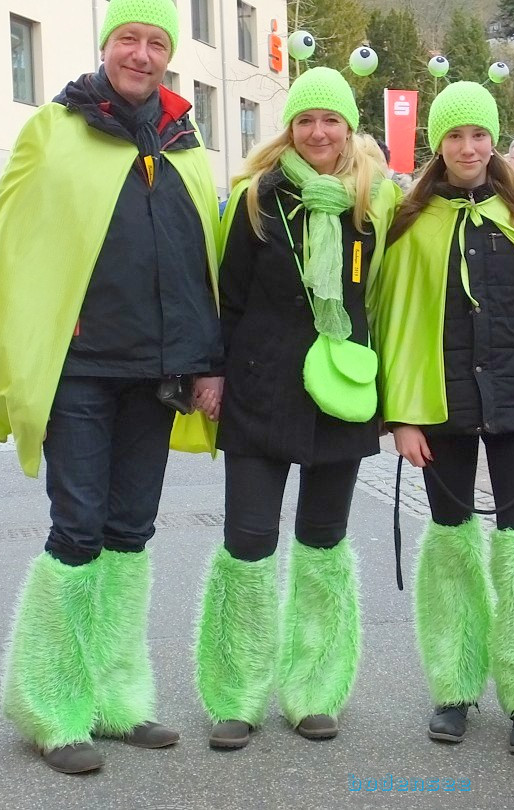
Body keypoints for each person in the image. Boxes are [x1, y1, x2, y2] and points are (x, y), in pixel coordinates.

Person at [0, 0, 222, 774]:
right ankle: (53, 707)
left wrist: (203, 361)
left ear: (168, 55)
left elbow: (198, 264)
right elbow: (15, 245)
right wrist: (20, 359)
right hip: (78, 369)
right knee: (77, 530)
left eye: (156, 42)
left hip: (156, 376)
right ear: (105, 46)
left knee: (130, 533)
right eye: (129, 39)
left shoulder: (186, 144)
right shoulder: (53, 129)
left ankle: (119, 699)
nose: (142, 54)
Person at [373, 81, 514, 755]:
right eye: (454, 136)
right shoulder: (413, 219)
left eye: (479, 135)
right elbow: (395, 324)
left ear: (494, 140)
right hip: (438, 410)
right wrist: (401, 418)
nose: (468, 147)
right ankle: (453, 686)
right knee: (450, 548)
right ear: (436, 144)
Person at [195, 67, 400, 751]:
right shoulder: (258, 198)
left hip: (341, 392)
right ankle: (237, 694)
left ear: (349, 129)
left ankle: (315, 687)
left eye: (331, 120)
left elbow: (391, 302)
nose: (318, 132)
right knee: (248, 544)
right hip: (260, 387)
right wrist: (216, 375)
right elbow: (230, 296)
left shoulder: (372, 203)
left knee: (322, 543)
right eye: (306, 120)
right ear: (292, 129)